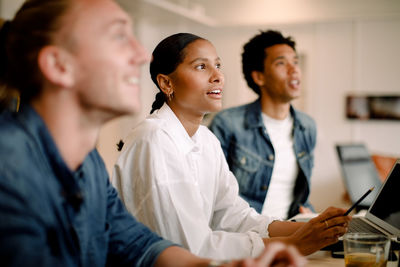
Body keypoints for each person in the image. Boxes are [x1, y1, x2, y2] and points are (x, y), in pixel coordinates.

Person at [0, 1, 307, 266]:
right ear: (58, 65)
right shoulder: (8, 168)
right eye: (119, 36)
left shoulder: (88, 163)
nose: (141, 54)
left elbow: (138, 245)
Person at [112, 32, 350, 261]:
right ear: (166, 83)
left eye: (218, 65)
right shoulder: (154, 139)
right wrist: (295, 244)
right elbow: (190, 249)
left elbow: (234, 216)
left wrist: (315, 228)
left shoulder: (206, 139)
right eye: (201, 66)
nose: (218, 76)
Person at [209, 30, 315, 220]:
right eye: (281, 63)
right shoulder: (227, 124)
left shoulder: (307, 126)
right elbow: (211, 194)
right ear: (259, 77)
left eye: (295, 62)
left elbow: (300, 195)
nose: (294, 69)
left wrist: (309, 215)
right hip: (243, 237)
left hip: (290, 235)